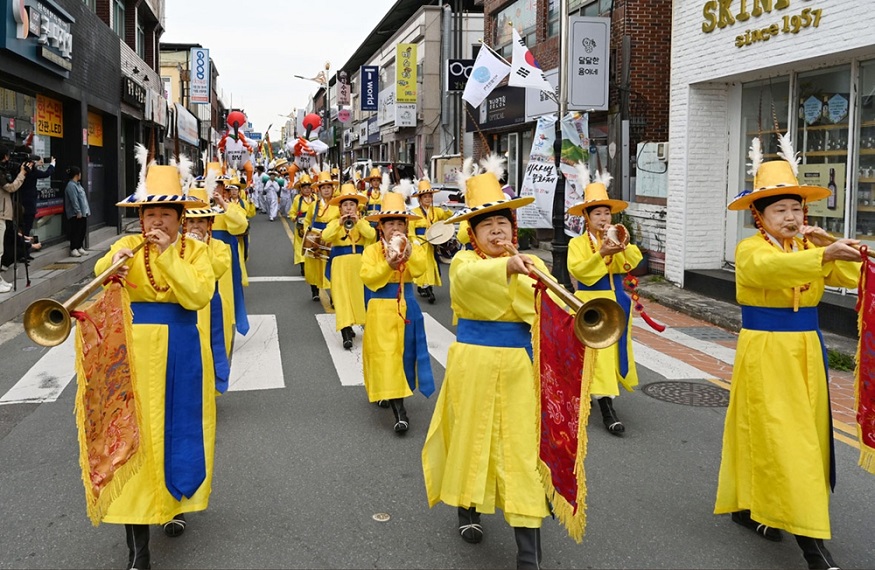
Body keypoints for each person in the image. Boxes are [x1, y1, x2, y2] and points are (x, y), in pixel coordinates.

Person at [716, 134, 861, 570]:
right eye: (780, 209)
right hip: (767, 350)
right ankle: (812, 545)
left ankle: (748, 504)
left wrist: (828, 242)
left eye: (797, 208)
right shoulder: (749, 250)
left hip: (807, 352)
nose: (791, 216)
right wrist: (821, 257)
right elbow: (768, 270)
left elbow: (856, 276)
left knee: (794, 435)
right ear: (758, 217)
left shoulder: (809, 246)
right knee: (786, 438)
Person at [421, 154, 548, 569]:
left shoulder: (536, 263)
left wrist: (535, 279)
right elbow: (467, 282)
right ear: (472, 233)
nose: (498, 231)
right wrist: (506, 268)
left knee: (520, 451)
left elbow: (551, 312)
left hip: (519, 366)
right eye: (487, 224)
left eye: (504, 223)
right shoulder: (464, 261)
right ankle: (468, 508)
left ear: (515, 227)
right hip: (473, 364)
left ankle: (529, 551)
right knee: (471, 438)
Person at [96, 149, 216, 570]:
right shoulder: (126, 246)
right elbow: (99, 274)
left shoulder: (194, 252)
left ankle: (173, 504)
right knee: (134, 442)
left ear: (181, 219)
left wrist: (167, 256)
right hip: (132, 356)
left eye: (166, 213)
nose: (157, 222)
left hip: (181, 351)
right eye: (150, 214)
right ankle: (138, 550)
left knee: (174, 434)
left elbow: (199, 295)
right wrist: (111, 265)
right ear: (140, 217)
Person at [566, 163, 642, 435]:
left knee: (609, 354)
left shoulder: (616, 237)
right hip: (586, 302)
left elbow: (632, 264)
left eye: (607, 213)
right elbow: (580, 273)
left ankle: (606, 402)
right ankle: (588, 399)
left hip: (614, 302)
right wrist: (600, 255)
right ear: (586, 216)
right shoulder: (576, 244)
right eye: (597, 213)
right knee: (584, 353)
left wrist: (623, 244)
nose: (603, 218)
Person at [360, 186, 435, 434]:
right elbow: (368, 278)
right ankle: (399, 412)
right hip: (381, 308)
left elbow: (421, 269)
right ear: (380, 227)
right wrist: (387, 264)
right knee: (385, 356)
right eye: (389, 223)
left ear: (406, 226)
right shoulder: (372, 251)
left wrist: (408, 254)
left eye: (399, 223)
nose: (395, 228)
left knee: (403, 355)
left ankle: (391, 394)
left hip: (407, 306)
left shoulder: (414, 246)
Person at [323, 183, 375, 349]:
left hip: (358, 262)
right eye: (345, 205)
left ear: (356, 207)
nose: (348, 208)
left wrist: (358, 222)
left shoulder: (363, 221)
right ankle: (346, 331)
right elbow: (325, 236)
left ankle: (361, 323)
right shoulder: (333, 222)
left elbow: (371, 235)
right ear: (340, 208)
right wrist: (339, 223)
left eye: (351, 204)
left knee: (359, 295)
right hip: (339, 264)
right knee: (342, 297)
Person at [209, 169, 250, 336]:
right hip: (203, 252)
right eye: (213, 186)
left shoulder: (231, 207)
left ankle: (227, 323)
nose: (216, 190)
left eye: (220, 186)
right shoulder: (200, 207)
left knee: (227, 291)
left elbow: (242, 224)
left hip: (225, 253)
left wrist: (224, 205)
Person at [410, 172, 452, 304]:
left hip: (433, 242)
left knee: (431, 265)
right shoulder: (415, 212)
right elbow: (410, 228)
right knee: (422, 264)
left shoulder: (436, 210)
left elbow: (448, 217)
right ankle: (424, 287)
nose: (428, 199)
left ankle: (428, 288)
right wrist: (413, 240)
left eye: (430, 196)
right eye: (425, 197)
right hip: (421, 242)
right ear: (420, 199)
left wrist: (446, 210)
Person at [303, 170, 340, 302]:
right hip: (315, 239)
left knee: (330, 267)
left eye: (328, 187)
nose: (326, 190)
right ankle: (314, 290)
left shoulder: (337, 205)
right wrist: (308, 232)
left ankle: (333, 295)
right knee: (313, 265)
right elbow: (307, 221)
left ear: (332, 189)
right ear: (318, 190)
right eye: (323, 188)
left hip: (330, 238)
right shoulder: (314, 205)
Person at [0, 151, 27, 293]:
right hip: (0, 214)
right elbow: (10, 187)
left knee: (1, 250)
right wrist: (21, 174)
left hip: (3, 214)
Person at [15, 147, 55, 237]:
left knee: (18, 229)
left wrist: (35, 165)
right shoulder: (32, 171)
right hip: (28, 205)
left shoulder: (17, 169)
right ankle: (26, 247)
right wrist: (52, 164)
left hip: (17, 204)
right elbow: (46, 173)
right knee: (26, 229)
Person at [290, 173, 315, 277]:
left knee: (312, 245)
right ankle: (302, 265)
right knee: (300, 246)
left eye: (309, 188)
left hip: (311, 226)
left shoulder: (315, 198)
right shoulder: (297, 199)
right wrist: (294, 217)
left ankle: (312, 266)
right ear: (301, 189)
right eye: (305, 188)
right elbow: (292, 212)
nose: (307, 190)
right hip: (300, 227)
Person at [64, 166, 91, 258]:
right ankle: (73, 248)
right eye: (79, 173)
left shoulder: (78, 185)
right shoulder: (71, 186)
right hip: (75, 213)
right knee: (75, 230)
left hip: (83, 212)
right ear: (77, 175)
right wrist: (78, 211)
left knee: (81, 230)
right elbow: (74, 200)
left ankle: (79, 246)